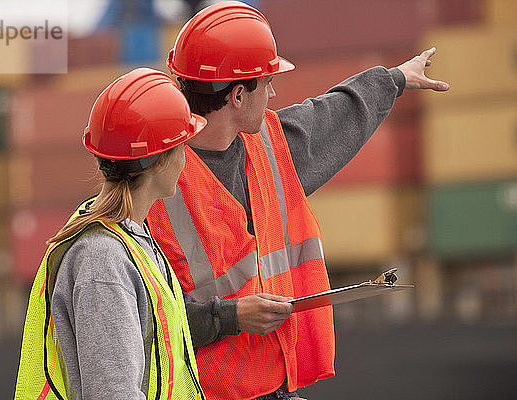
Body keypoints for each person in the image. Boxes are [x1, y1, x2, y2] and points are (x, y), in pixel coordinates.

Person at [145, 2, 450, 400]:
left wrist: (393, 80)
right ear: (238, 95)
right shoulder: (150, 185)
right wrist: (230, 317)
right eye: (267, 82)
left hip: (277, 386)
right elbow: (141, 323)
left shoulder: (272, 145)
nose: (274, 92)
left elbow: (331, 115)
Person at [14, 68, 208, 400]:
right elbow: (111, 392)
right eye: (182, 145)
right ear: (159, 161)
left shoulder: (133, 239)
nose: (186, 157)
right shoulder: (103, 260)